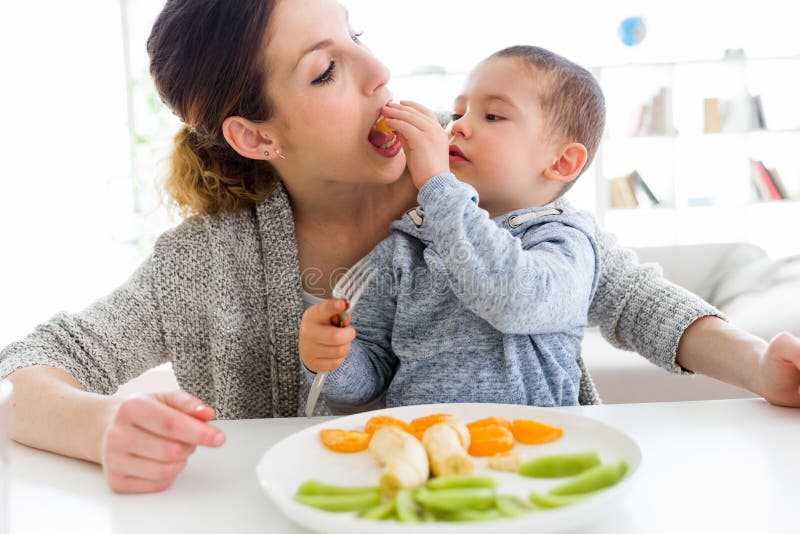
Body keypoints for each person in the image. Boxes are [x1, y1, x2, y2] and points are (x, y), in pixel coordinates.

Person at [1, 0, 798, 495]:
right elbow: (26, 371)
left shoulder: (475, 193)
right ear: (254, 134)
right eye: (326, 71)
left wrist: (761, 364)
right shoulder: (206, 266)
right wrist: (100, 428)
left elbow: (628, 296)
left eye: (359, 36)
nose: (380, 72)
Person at [299, 46, 604, 408]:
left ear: (563, 162)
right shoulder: (407, 247)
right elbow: (369, 380)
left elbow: (512, 300)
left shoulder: (566, 242)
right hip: (426, 452)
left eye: (492, 116)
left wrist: (438, 186)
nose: (458, 125)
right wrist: (331, 358)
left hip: (531, 453)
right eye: (459, 112)